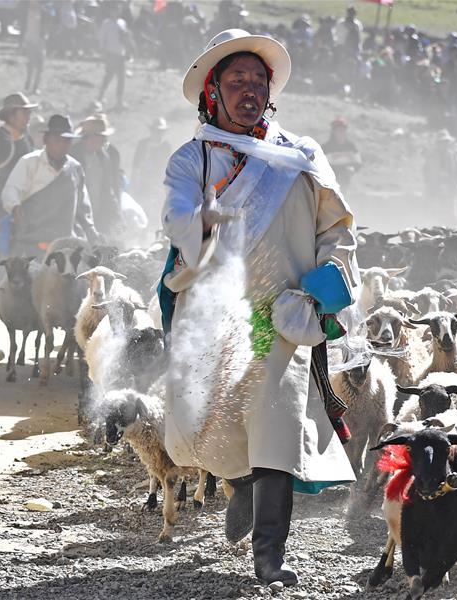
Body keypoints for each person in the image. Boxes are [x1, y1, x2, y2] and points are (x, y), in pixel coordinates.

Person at [161, 29, 358, 586]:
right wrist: (211, 214)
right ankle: (241, 485)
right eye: (236, 80)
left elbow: (336, 229)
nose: (249, 89)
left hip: (283, 314)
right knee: (213, 429)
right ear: (213, 93)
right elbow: (179, 225)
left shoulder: (301, 157)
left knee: (276, 426)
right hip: (216, 316)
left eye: (258, 80)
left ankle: (270, 555)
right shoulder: (190, 162)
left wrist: (329, 282)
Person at [2, 115, 100, 257]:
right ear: (46, 140)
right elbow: (11, 189)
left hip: (64, 244)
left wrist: (91, 231)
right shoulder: (29, 162)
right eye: (57, 140)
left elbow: (83, 207)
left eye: (66, 141)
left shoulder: (75, 168)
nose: (61, 145)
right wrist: (15, 206)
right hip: (30, 241)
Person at [0, 92, 39, 303]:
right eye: (24, 112)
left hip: (21, 213)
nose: (28, 117)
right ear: (12, 114)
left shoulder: (27, 140)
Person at [71, 115, 125, 244]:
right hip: (76, 217)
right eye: (100, 137)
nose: (102, 141)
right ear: (88, 138)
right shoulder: (73, 157)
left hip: (99, 215)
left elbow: (108, 189)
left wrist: (117, 214)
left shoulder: (102, 157)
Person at [132, 116, 173, 227]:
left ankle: (155, 229)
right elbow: (136, 166)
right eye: (157, 131)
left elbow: (168, 166)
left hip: (158, 181)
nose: (159, 134)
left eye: (161, 131)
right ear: (152, 131)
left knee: (158, 207)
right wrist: (135, 182)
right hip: (144, 181)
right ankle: (142, 231)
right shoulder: (143, 145)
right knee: (143, 206)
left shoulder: (165, 146)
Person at [97, 3, 132, 110]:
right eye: (115, 10)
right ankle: (100, 97)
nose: (117, 12)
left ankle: (119, 101)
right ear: (110, 11)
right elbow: (102, 38)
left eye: (118, 9)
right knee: (109, 76)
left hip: (120, 53)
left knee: (121, 78)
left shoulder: (122, 23)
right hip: (110, 53)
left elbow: (126, 38)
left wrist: (127, 50)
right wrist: (103, 52)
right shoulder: (106, 23)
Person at [322, 117, 362, 191]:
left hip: (346, 181)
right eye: (339, 130)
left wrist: (353, 169)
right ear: (333, 131)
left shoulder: (351, 146)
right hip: (330, 181)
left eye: (343, 130)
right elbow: (320, 165)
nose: (341, 132)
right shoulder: (325, 148)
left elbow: (358, 162)